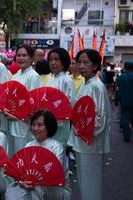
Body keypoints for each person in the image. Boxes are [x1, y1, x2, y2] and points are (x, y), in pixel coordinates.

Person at [68, 49, 112, 200]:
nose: (81, 66)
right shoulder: (87, 84)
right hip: (83, 140)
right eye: (79, 62)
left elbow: (101, 117)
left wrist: (84, 131)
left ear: (94, 66)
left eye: (85, 62)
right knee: (84, 180)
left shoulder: (96, 86)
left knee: (90, 181)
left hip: (90, 142)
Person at [5, 110, 70, 200]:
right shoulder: (29, 145)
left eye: (40, 125)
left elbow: (55, 173)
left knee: (36, 187)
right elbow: (23, 172)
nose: (35, 128)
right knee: (13, 191)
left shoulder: (56, 147)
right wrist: (23, 183)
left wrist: (34, 182)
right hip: (33, 187)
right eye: (33, 124)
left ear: (48, 127)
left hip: (57, 188)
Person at [4, 44, 41, 156]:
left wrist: (17, 116)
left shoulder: (34, 76)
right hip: (10, 122)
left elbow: (34, 103)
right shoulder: (15, 76)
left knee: (22, 155)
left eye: (24, 55)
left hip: (24, 124)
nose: (21, 58)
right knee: (11, 155)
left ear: (31, 58)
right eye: (19, 55)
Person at [47, 48, 76, 146]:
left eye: (56, 59)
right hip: (49, 123)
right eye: (50, 60)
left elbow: (70, 104)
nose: (53, 62)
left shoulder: (67, 80)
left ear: (64, 61)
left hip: (61, 124)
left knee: (59, 151)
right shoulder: (51, 79)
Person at [115, 61, 133, 142]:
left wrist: (116, 100)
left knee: (125, 118)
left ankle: (127, 136)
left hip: (124, 101)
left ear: (125, 67)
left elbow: (117, 90)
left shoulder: (120, 77)